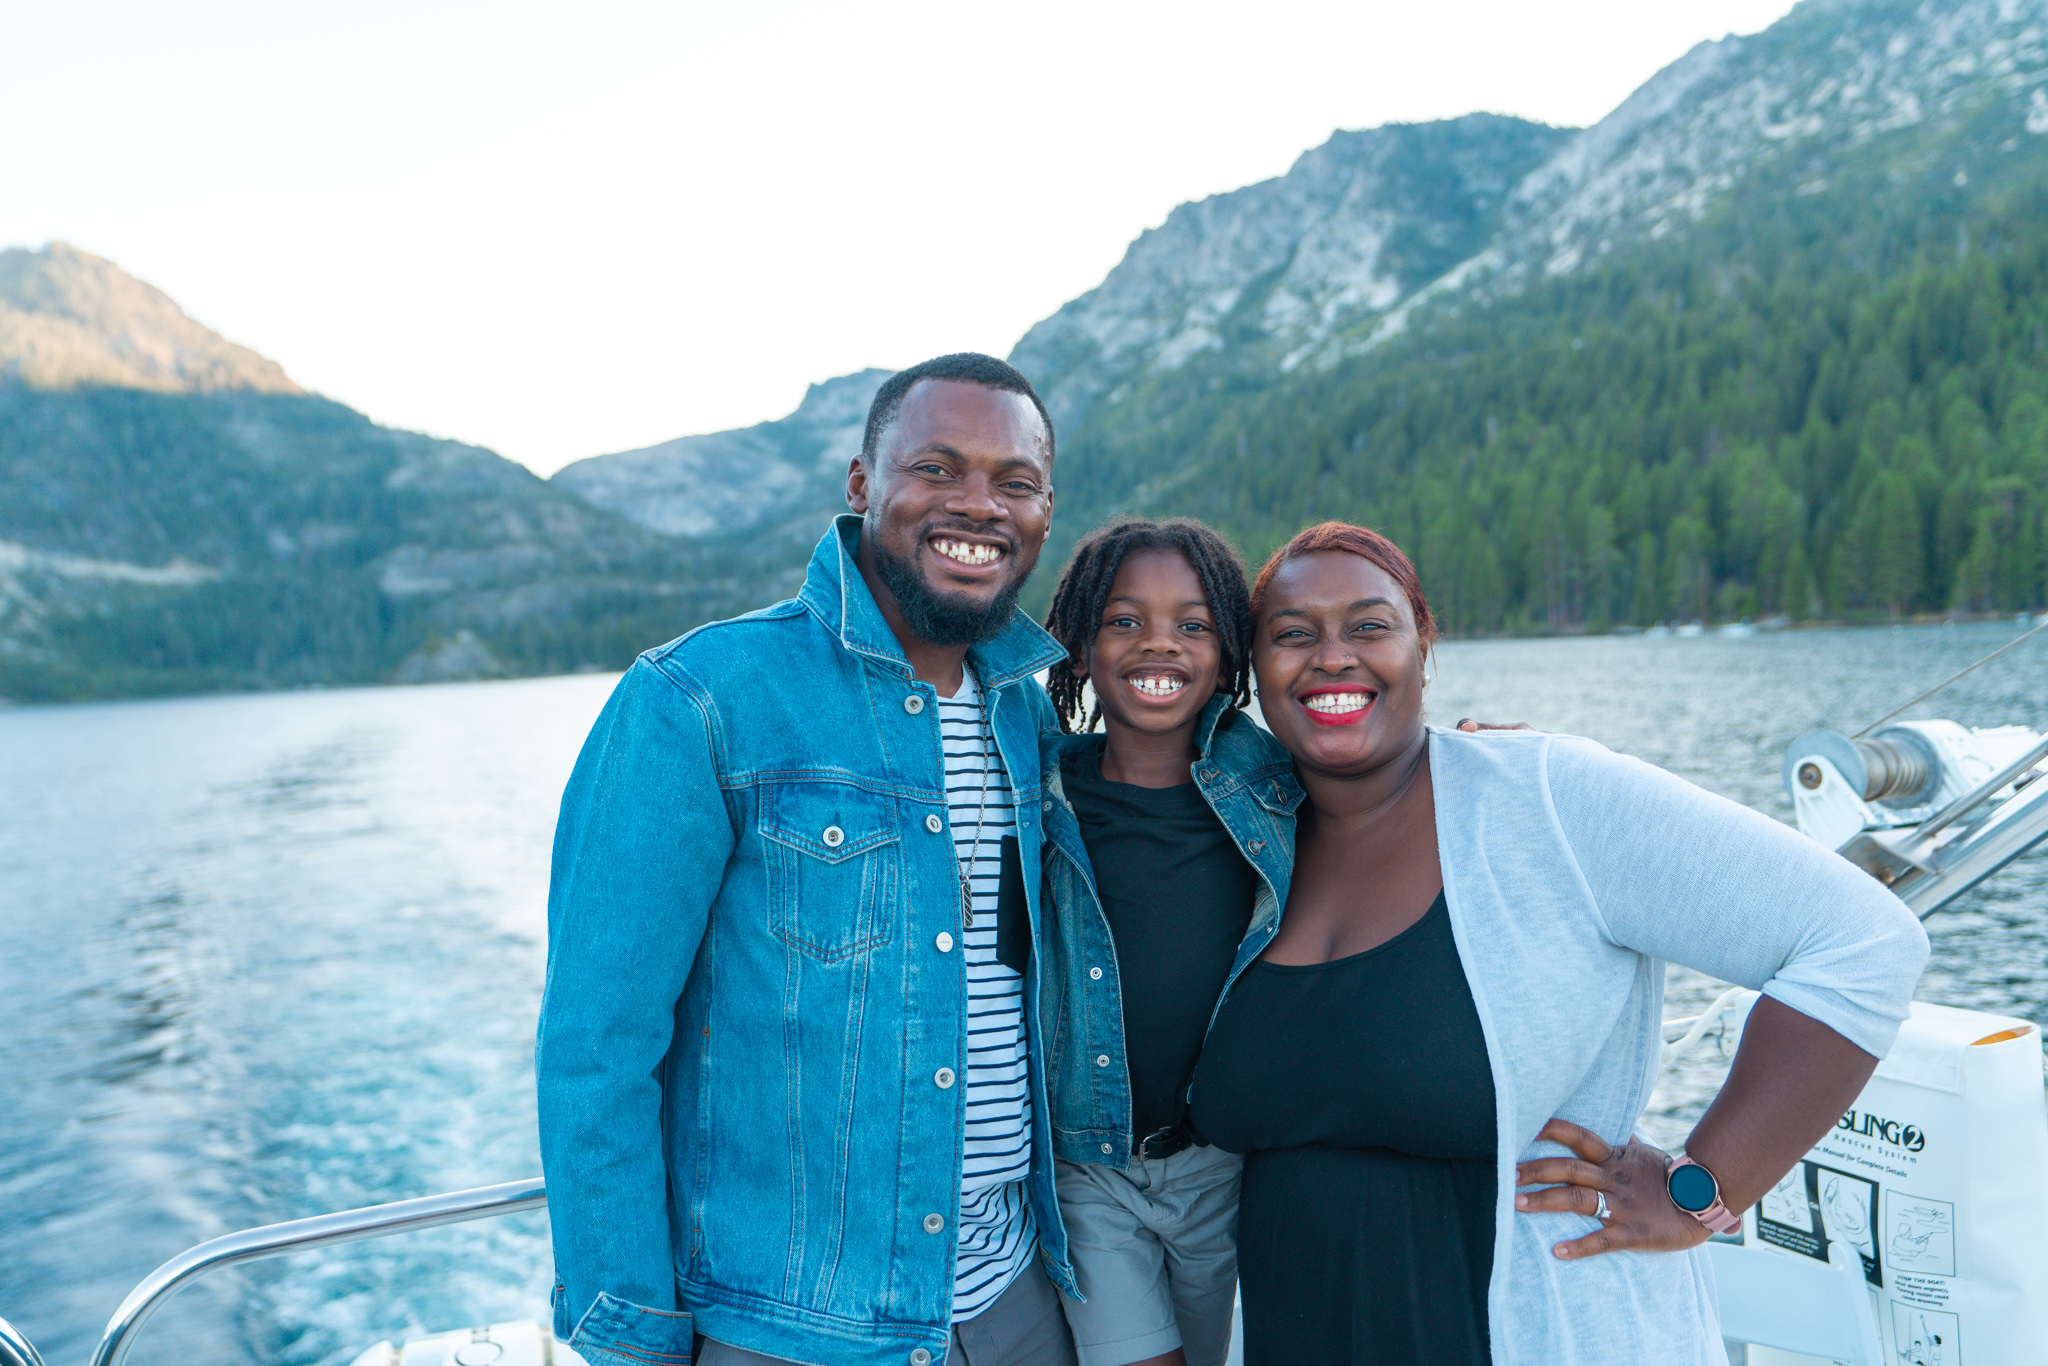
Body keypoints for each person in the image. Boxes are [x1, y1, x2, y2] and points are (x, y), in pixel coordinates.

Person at [1187, 521, 1929, 1366]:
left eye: (1369, 626)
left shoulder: (1547, 797)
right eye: (1292, 635)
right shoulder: (1250, 840)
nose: (1331, 657)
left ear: (1423, 647)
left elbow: (1862, 938)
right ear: (1255, 671)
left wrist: (1707, 1186)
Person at [536, 353, 1081, 1366]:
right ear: (862, 483)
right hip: (794, 1330)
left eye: (1014, 482)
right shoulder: (699, 699)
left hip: (1014, 1299)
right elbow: (594, 1048)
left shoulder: (1024, 713)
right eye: (937, 469)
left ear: (1046, 509)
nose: (978, 505)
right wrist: (634, 1337)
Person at [1034, 520, 1298, 1366]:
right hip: (1090, 1168)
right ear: (1078, 645)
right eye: (1124, 621)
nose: (1159, 645)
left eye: (1193, 625)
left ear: (1229, 655)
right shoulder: (1033, 790)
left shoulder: (1278, 787)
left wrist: (1470, 755)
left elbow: (1387, 764)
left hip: (1229, 1167)